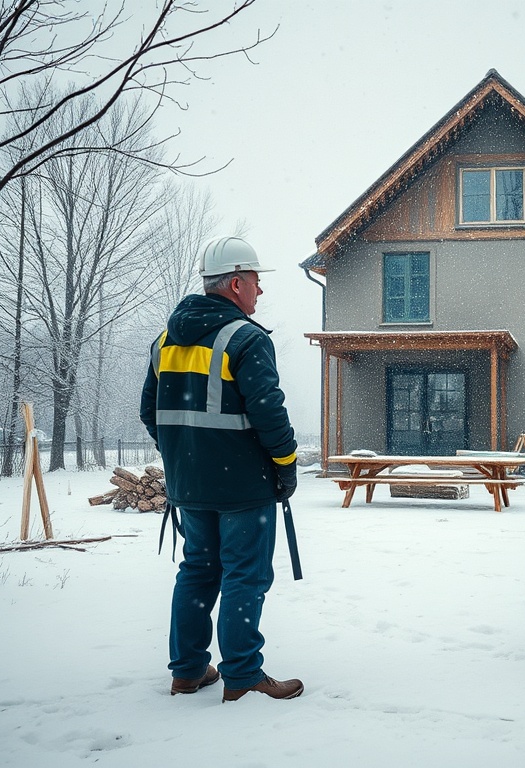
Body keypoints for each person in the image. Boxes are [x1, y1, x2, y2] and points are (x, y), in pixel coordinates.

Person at [140, 235, 303, 703]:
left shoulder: (165, 342)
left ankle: (188, 671)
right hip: (243, 488)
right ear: (235, 283)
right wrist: (286, 465)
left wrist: (184, 457)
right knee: (244, 576)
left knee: (197, 571)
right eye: (255, 280)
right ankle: (243, 675)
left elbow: (150, 413)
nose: (260, 290)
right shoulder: (246, 339)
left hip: (189, 487)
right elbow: (269, 413)